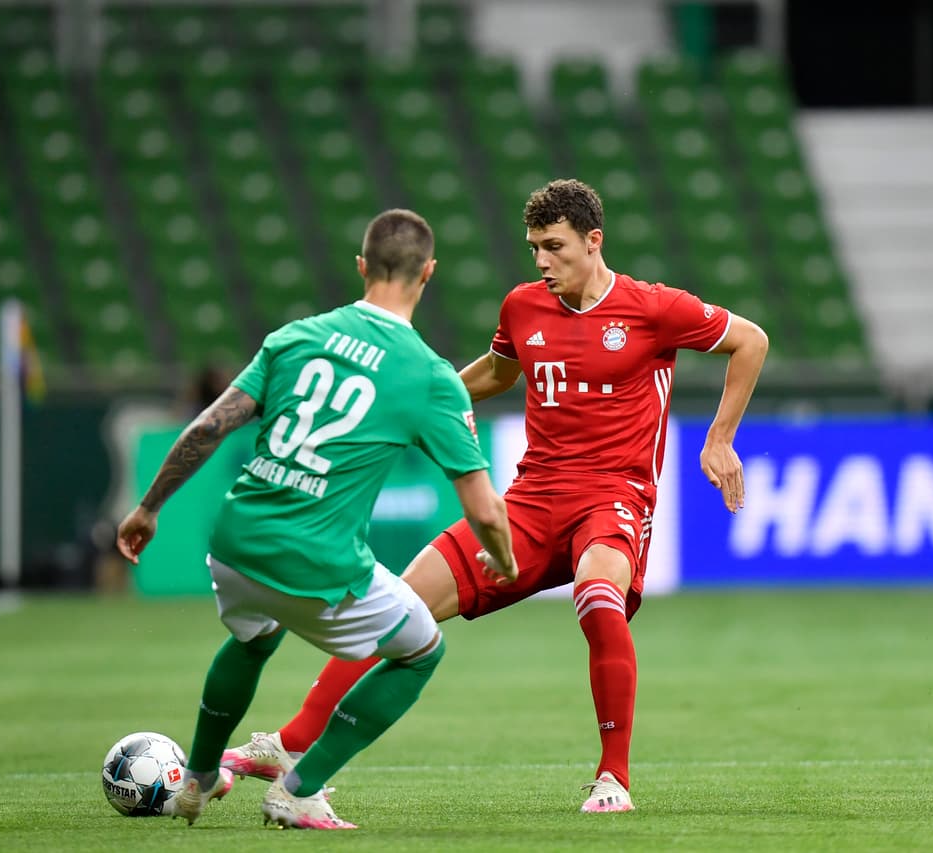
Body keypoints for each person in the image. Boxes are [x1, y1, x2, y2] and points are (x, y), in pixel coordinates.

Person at [221, 178, 770, 813]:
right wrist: (430, 402)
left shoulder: (653, 307)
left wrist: (719, 438)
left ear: (594, 242)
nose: (542, 261)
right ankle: (288, 743)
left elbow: (749, 340)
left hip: (614, 498)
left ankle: (613, 777)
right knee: (397, 604)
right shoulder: (524, 307)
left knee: (597, 596)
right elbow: (498, 371)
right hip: (532, 501)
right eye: (534, 247)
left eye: (555, 246)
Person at [115, 208, 518, 830]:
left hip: (236, 542)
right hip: (317, 560)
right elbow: (484, 506)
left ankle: (196, 776)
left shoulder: (294, 337)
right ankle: (300, 787)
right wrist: (507, 559)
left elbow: (208, 427)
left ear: (361, 266)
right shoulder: (430, 375)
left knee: (253, 638)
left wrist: (148, 508)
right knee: (421, 650)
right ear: (428, 273)